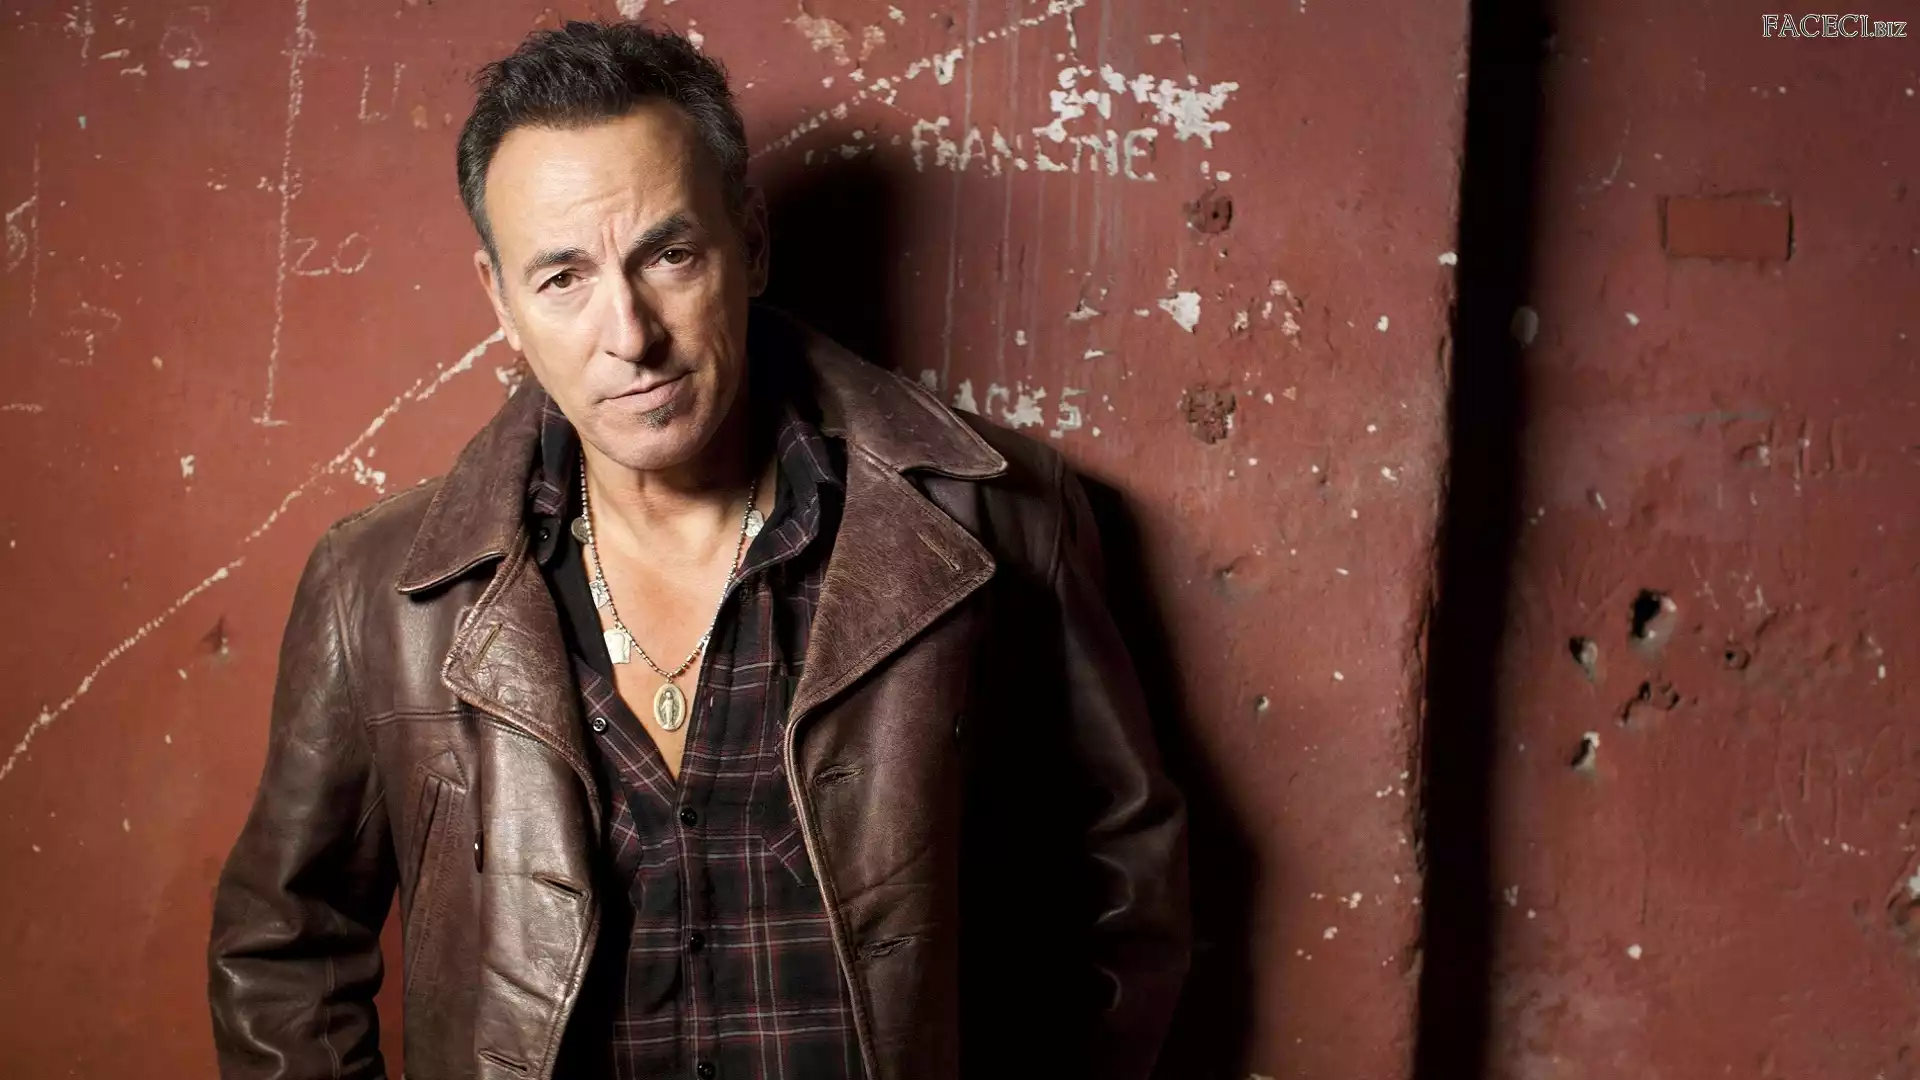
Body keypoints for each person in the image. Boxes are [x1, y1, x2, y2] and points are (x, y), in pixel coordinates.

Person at [207, 20, 1187, 1080]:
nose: (629, 335)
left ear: (751, 245)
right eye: (563, 278)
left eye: (668, 256)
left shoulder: (997, 521)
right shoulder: (380, 591)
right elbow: (284, 951)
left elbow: (1123, 884)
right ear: (501, 301)